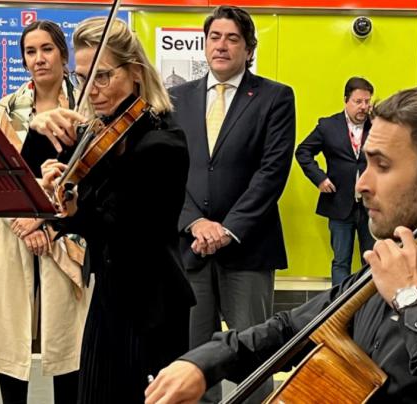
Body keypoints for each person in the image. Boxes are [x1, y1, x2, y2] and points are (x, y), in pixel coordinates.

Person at [146, 83, 417, 403]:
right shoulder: (375, 278)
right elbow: (290, 328)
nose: (361, 184)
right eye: (366, 162)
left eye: (382, 166)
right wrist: (202, 363)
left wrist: (412, 301)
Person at [35, 16, 195, 403]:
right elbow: (80, 217)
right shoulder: (98, 133)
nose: (92, 92)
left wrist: (77, 203)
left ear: (135, 73)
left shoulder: (162, 142)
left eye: (102, 77)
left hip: (152, 306)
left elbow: (129, 229)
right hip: (109, 296)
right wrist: (46, 145)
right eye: (84, 78)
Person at [168, 6, 295, 401]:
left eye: (232, 38)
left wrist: (228, 228)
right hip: (190, 248)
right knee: (194, 358)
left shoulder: (275, 97)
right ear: (205, 44)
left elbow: (272, 172)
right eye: (214, 37)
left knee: (254, 358)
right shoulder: (175, 98)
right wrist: (195, 222)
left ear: (249, 47)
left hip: (247, 246)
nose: (222, 46)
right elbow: (169, 170)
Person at [0, 20, 90, 404]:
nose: (39, 59)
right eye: (30, 51)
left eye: (47, 49)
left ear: (63, 53)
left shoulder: (83, 107)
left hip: (67, 234)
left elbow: (88, 176)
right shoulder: (7, 108)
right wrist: (24, 225)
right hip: (12, 233)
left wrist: (46, 223)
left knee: (68, 341)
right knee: (12, 334)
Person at [295, 77, 375, 286]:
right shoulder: (328, 126)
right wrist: (319, 178)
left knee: (374, 260)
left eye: (367, 102)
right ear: (346, 100)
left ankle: (373, 309)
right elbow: (303, 152)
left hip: (372, 206)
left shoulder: (379, 126)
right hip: (339, 204)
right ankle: (340, 308)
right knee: (341, 261)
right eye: (358, 102)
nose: (364, 107)